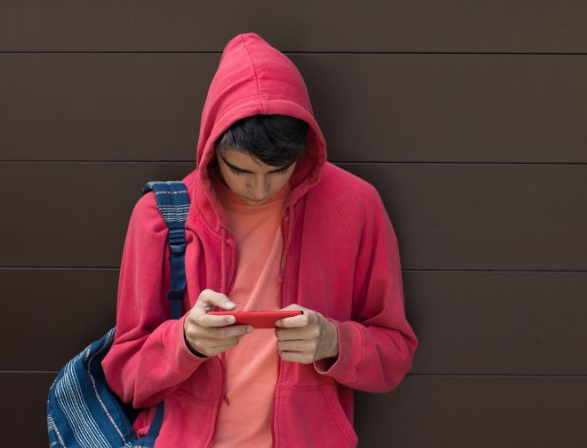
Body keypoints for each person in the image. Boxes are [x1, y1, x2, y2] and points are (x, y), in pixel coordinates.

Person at [100, 32, 418, 448]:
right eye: (241, 171)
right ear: (212, 150)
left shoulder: (356, 205)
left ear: (305, 150)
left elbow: (394, 354)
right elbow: (127, 377)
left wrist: (333, 341)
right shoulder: (161, 214)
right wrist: (186, 341)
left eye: (279, 169)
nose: (260, 190)